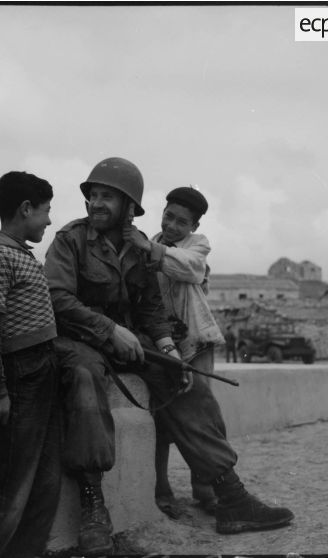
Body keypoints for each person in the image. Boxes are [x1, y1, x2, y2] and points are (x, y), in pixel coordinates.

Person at [44, 157, 294, 554]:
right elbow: (57, 298)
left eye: (107, 196)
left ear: (128, 205)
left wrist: (165, 345)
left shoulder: (139, 244)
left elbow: (149, 305)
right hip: (80, 341)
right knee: (83, 380)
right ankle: (93, 508)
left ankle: (230, 495)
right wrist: (110, 330)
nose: (96, 203)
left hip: (130, 340)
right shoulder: (69, 240)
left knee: (181, 378)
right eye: (93, 195)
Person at [0, 171, 61, 558]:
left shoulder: (23, 256)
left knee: (43, 483)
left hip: (41, 377)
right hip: (16, 383)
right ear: (25, 209)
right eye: (45, 211)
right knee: (5, 487)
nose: (49, 220)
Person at [123, 185, 226, 517]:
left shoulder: (198, 245)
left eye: (181, 222)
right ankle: (161, 487)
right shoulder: (150, 241)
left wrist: (150, 249)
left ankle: (206, 487)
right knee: (161, 415)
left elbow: (191, 268)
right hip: (163, 345)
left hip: (195, 342)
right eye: (168, 216)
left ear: (193, 227)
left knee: (203, 416)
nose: (171, 226)